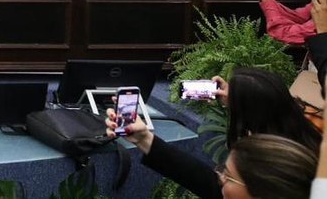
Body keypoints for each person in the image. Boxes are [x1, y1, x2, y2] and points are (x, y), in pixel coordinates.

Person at [107, 67, 319, 199]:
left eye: (228, 176)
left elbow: (210, 186)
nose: (220, 179)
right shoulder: (294, 133)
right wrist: (145, 139)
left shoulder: (276, 162)